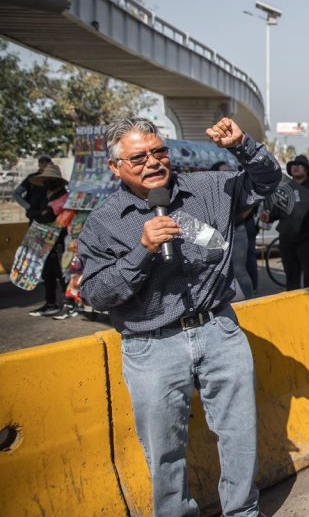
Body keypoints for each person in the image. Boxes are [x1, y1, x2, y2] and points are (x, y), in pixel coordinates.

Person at [78, 116, 281, 516]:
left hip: (219, 330)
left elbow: (269, 184)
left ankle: (242, 511)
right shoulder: (103, 223)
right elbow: (97, 294)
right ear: (116, 167)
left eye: (159, 152)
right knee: (164, 451)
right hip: (151, 346)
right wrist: (142, 251)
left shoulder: (208, 187)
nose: (153, 163)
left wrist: (243, 146)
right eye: (138, 158)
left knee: (239, 436)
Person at [262, 154, 309, 289]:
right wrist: (267, 216)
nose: (296, 167)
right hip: (287, 239)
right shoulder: (285, 188)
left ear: (307, 169)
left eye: (300, 165)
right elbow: (275, 211)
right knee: (291, 277)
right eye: (293, 165)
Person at [19, 161, 69, 317]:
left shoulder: (63, 197)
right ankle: (50, 303)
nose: (47, 182)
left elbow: (47, 216)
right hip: (45, 241)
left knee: (62, 274)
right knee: (48, 274)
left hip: (60, 241)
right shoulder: (44, 194)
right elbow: (36, 213)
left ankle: (68, 305)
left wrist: (37, 214)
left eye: (49, 180)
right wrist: (37, 214)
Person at [213, 160, 258, 300]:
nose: (228, 174)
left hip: (237, 230)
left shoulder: (237, 189)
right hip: (216, 235)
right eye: (223, 171)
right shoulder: (210, 193)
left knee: (239, 270)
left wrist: (234, 219)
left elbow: (252, 202)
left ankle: (249, 301)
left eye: (229, 171)